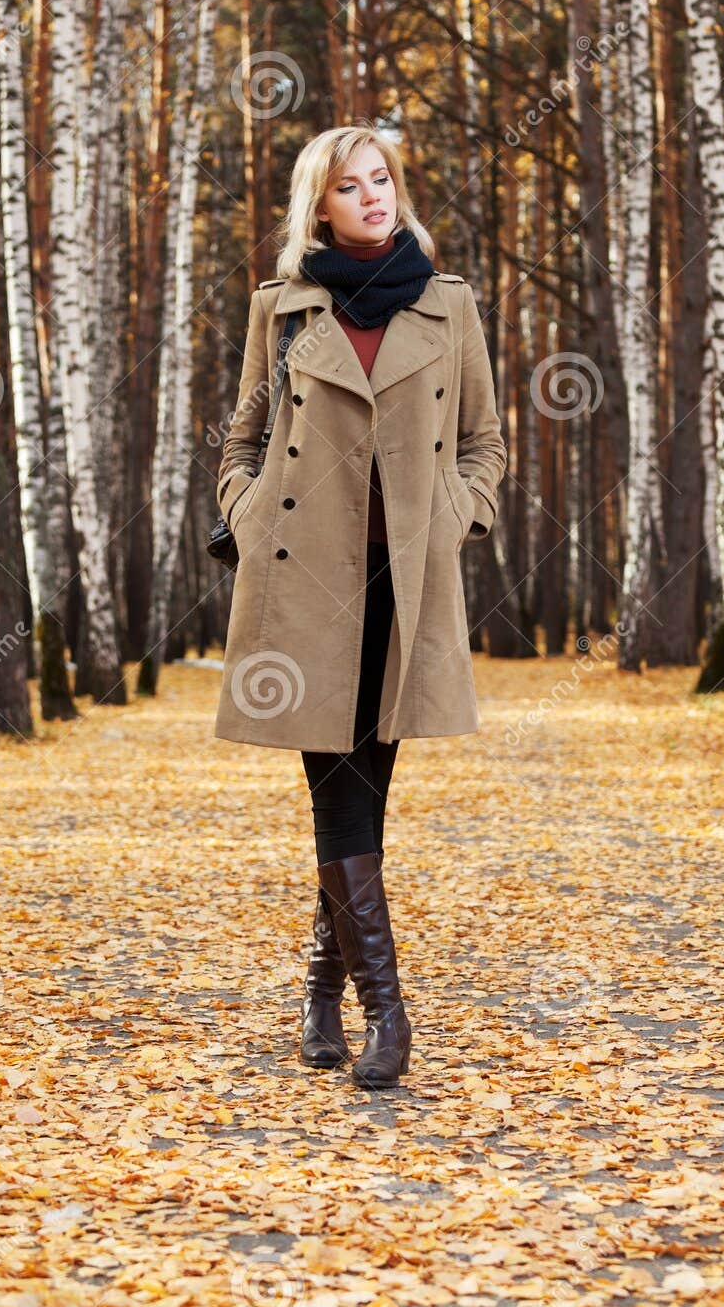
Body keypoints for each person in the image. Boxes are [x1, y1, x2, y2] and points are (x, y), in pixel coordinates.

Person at [214, 123, 507, 1089]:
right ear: (321, 205)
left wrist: (456, 517)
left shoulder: (447, 303)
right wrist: (249, 515)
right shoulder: (285, 310)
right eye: (352, 186)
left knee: (363, 794)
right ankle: (387, 1012)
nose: (374, 196)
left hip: (405, 583)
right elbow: (242, 441)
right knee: (336, 795)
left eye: (382, 179)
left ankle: (316, 991)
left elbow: (484, 445)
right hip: (306, 582)